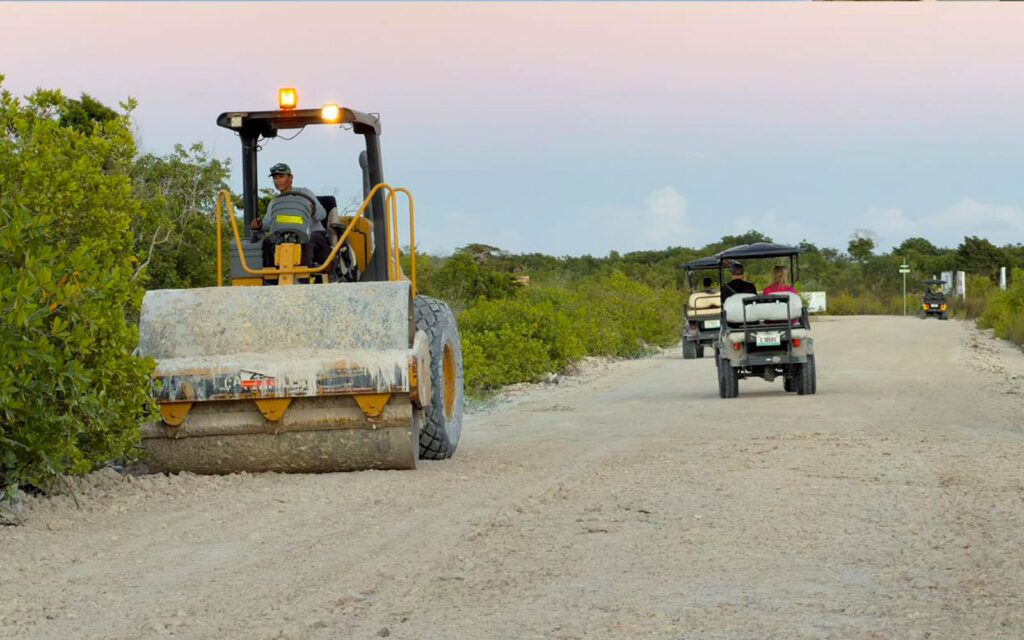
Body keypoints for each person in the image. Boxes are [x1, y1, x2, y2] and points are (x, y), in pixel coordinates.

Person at [251, 163, 332, 270]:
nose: (278, 180)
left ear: (291, 177)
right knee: (267, 242)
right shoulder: (275, 202)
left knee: (305, 240)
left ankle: (302, 276)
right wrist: (259, 225)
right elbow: (268, 224)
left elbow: (322, 215)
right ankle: (272, 277)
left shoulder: (305, 193)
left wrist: (314, 211)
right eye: (275, 178)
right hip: (285, 236)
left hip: (313, 234)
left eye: (281, 176)